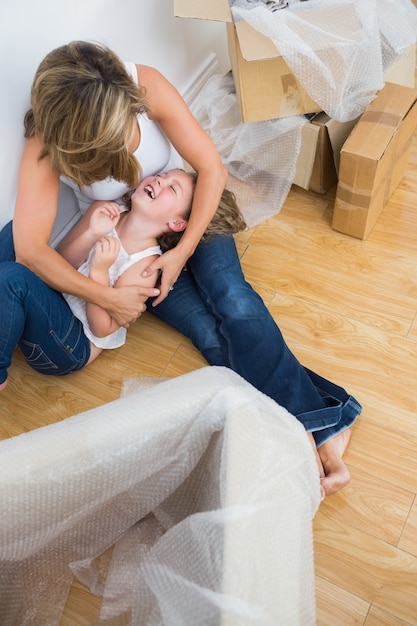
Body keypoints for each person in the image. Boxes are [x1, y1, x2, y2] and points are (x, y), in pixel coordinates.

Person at [0, 41, 361, 495]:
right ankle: (320, 419)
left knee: (232, 299)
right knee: (207, 333)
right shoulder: (48, 138)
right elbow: (29, 250)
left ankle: (320, 428)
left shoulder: (141, 83)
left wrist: (183, 250)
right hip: (138, 241)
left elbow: (210, 167)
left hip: (189, 210)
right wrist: (108, 292)